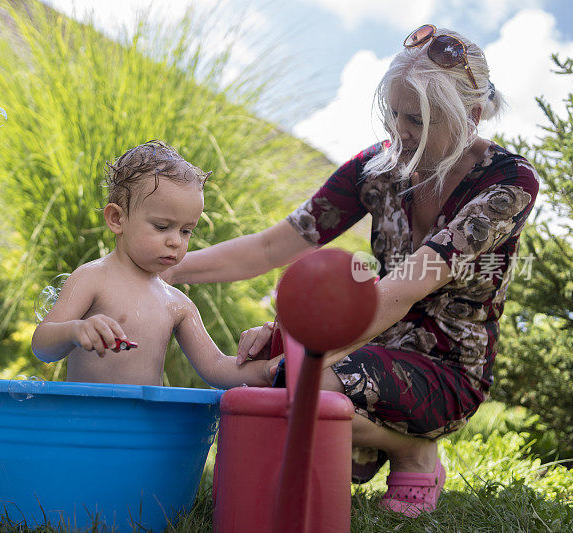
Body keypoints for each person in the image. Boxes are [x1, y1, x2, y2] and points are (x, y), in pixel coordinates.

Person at [163, 25, 539, 516]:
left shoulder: (508, 182)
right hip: (374, 343)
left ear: (469, 116)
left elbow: (406, 289)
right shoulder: (377, 169)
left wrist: (298, 359)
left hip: (448, 371)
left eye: (419, 121)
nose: (399, 132)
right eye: (396, 115)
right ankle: (361, 443)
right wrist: (163, 270)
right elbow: (270, 246)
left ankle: (413, 450)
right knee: (283, 364)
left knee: (300, 379)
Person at [31, 140, 281, 389]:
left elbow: (215, 366)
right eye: (162, 227)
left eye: (186, 231)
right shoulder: (92, 278)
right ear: (117, 218)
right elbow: (42, 345)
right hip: (86, 422)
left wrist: (266, 370)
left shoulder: (177, 303)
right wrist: (75, 330)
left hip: (145, 425)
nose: (175, 241)